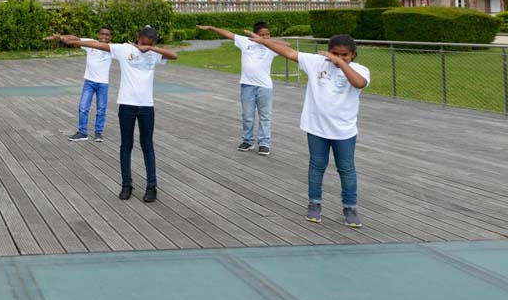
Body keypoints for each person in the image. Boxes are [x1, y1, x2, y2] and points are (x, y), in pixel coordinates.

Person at [247, 32, 370, 227]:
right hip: (316, 128)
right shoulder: (316, 63)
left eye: (344, 55)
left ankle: (350, 207)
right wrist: (264, 41)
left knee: (346, 169)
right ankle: (314, 204)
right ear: (328, 52)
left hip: (343, 131)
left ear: (353, 54)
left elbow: (359, 83)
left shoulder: (360, 70)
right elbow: (289, 53)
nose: (338, 57)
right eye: (334, 53)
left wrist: (341, 63)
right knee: (317, 166)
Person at [54, 26, 178, 202]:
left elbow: (174, 55)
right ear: (138, 37)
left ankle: (152, 186)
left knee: (147, 146)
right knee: (126, 146)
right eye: (144, 42)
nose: (146, 46)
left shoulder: (153, 53)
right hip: (127, 105)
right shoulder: (124, 49)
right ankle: (126, 185)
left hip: (146, 106)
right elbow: (97, 45)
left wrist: (149, 48)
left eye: (150, 44)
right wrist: (74, 41)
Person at [196, 21, 284, 155]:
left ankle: (264, 143)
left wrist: (264, 41)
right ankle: (248, 141)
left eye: (268, 34)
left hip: (264, 87)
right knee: (248, 115)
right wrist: (211, 27)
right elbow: (228, 34)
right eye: (262, 34)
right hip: (247, 85)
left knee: (265, 116)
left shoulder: (271, 47)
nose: (265, 37)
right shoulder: (245, 42)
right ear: (255, 34)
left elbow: (287, 45)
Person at [46, 26, 113, 142]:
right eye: (102, 34)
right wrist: (60, 37)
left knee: (101, 109)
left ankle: (98, 133)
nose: (104, 36)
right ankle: (82, 132)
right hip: (89, 82)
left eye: (107, 35)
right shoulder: (91, 43)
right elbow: (75, 39)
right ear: (98, 35)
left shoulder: (112, 48)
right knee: (83, 107)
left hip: (103, 84)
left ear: (110, 37)